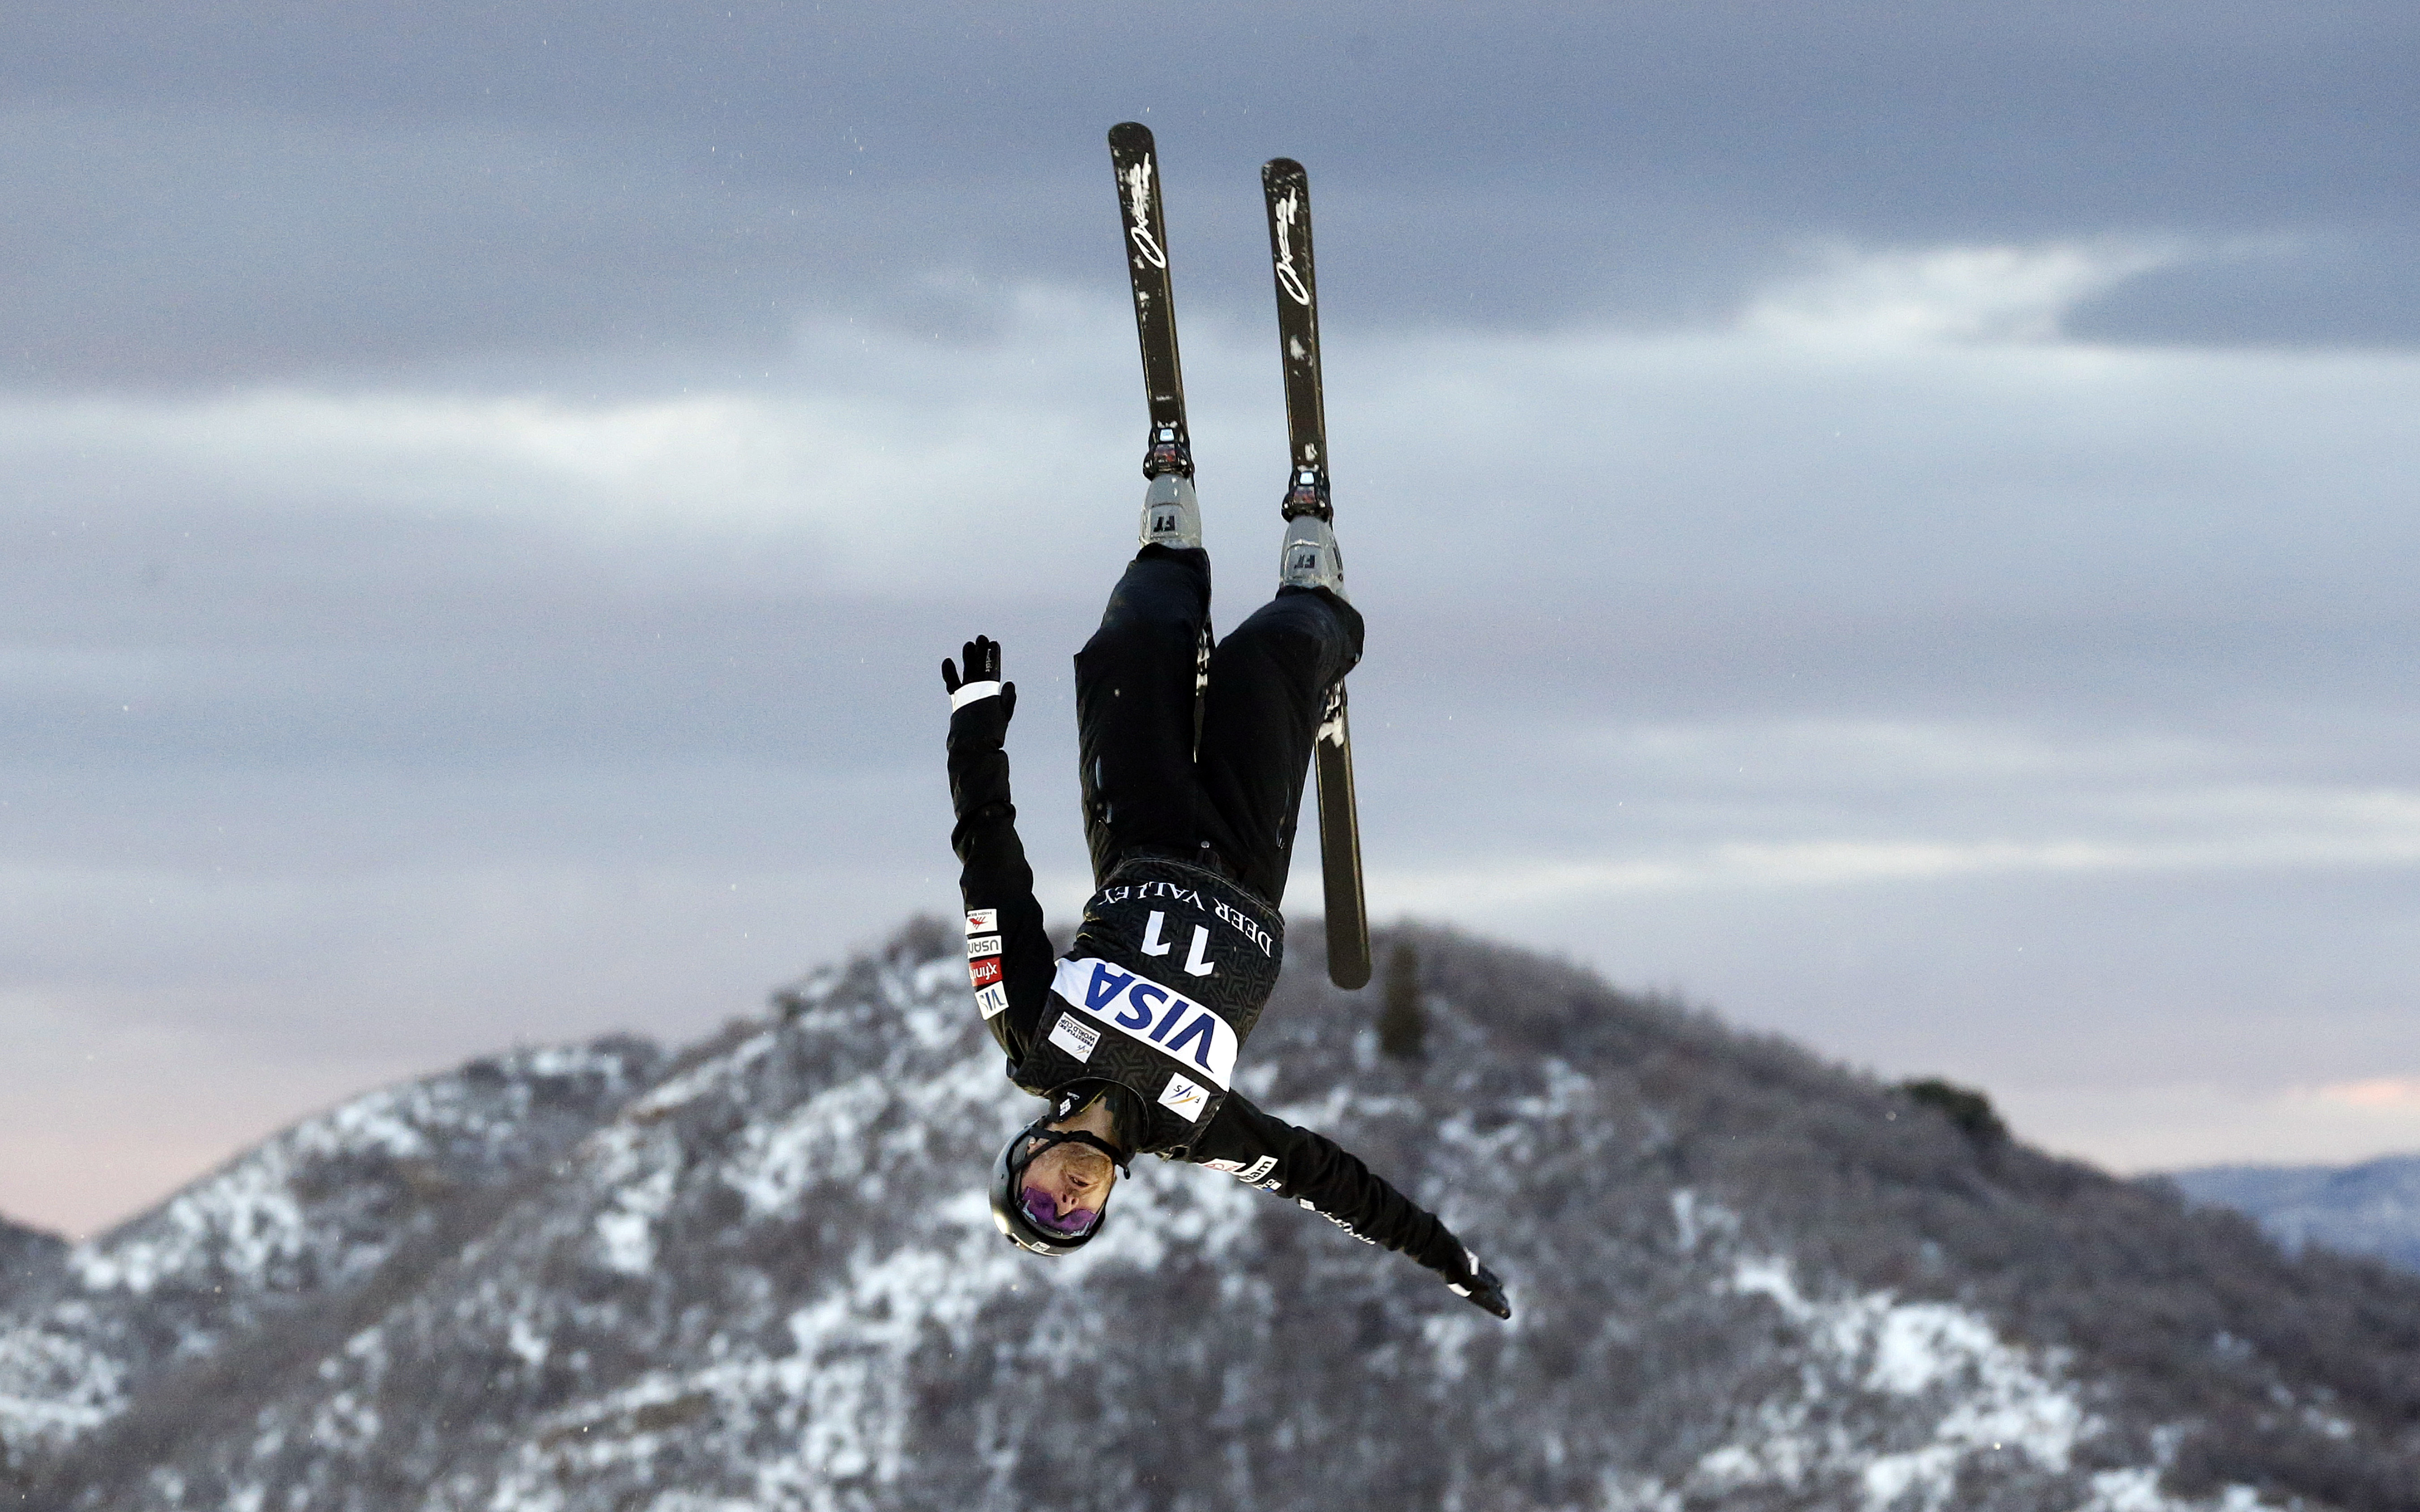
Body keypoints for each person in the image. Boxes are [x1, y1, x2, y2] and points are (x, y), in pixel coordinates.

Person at [942, 476, 1511, 1319]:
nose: (1070, 1197)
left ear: (1023, 1155)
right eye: (1077, 1218)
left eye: (1041, 1200)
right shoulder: (1194, 1125)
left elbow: (991, 872)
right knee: (1277, 649)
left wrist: (975, 731)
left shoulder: (1036, 1041)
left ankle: (1168, 538)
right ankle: (1316, 605)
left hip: (1141, 830)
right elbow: (1331, 1181)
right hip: (1247, 855)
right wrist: (1449, 1257)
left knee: (1131, 642)